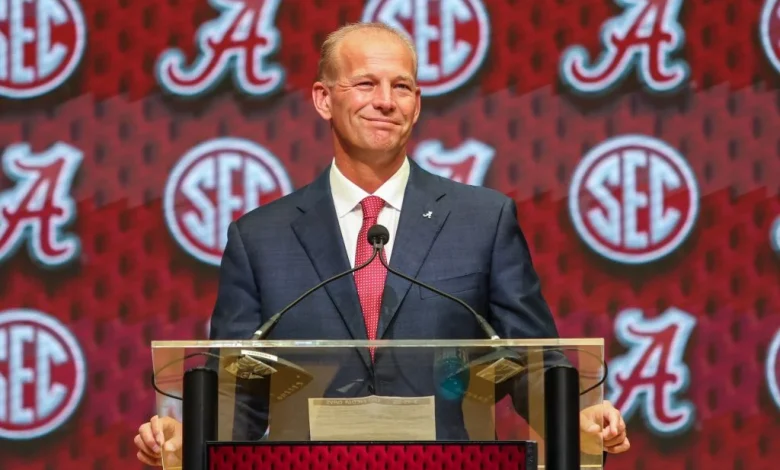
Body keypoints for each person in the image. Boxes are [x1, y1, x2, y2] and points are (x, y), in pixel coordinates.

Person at [134, 22, 630, 466]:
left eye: (403, 87)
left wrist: (577, 416)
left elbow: (531, 361)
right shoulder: (260, 237)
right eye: (366, 84)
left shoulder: (483, 220)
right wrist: (188, 436)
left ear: (417, 104)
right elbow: (236, 392)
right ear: (324, 99)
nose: (386, 101)